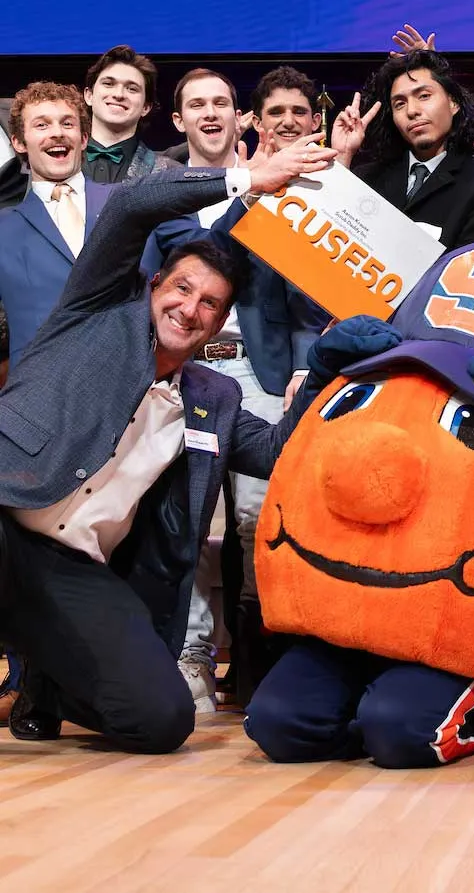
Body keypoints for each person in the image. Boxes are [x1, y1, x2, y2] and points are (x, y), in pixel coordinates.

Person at [0, 143, 351, 754]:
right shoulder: (97, 308)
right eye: (181, 289)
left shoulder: (212, 397)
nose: (189, 309)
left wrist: (322, 370)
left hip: (73, 567)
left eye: (209, 304)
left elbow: (273, 451)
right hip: (6, 511)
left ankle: (48, 675)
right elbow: (134, 204)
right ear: (154, 284)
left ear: (219, 325)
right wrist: (245, 178)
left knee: (161, 720)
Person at [153, 68, 330, 710]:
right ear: (179, 119)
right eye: (196, 104)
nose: (209, 112)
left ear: (241, 116)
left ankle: (261, 656)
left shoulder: (284, 186)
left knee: (260, 517)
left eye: (221, 102)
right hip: (187, 367)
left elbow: (307, 291)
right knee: (187, 519)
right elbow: (169, 266)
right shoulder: (164, 188)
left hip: (261, 374)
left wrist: (306, 367)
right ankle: (193, 653)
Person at [331, 50, 474, 248]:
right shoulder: (367, 178)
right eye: (400, 104)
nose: (412, 111)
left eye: (424, 96)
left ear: (453, 103)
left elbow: (472, 269)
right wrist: (342, 158)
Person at [0, 83, 114, 368]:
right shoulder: (3, 229)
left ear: (84, 137)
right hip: (37, 395)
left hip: (126, 390)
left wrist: (244, 197)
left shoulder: (126, 202)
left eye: (67, 123)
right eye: (41, 125)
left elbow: (214, 250)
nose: (57, 133)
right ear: (19, 142)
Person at [82, 46, 177, 182]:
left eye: (132, 89)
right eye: (108, 84)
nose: (118, 94)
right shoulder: (51, 163)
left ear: (146, 107)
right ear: (89, 95)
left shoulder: (170, 172)